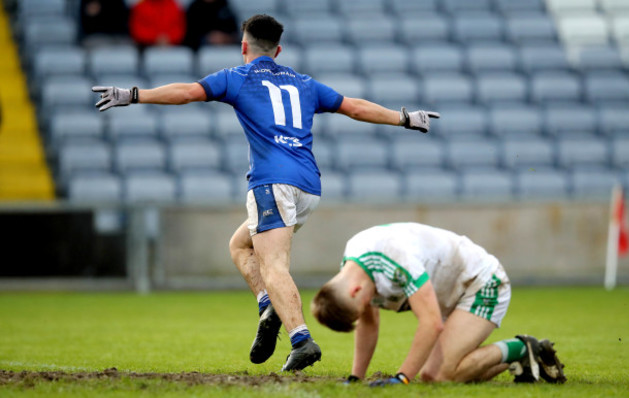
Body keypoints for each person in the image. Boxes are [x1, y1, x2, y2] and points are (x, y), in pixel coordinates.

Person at [91, 14, 440, 372]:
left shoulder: (237, 78)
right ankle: (268, 305)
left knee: (273, 266)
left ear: (244, 46)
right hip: (308, 186)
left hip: (271, 182)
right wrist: (405, 118)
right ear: (279, 50)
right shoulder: (304, 83)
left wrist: (133, 95)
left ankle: (301, 340)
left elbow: (187, 92)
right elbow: (354, 106)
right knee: (240, 246)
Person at [311, 222, 567, 385]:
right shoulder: (351, 270)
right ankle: (523, 358)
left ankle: (523, 348)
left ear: (355, 291)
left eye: (362, 304)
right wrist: (356, 378)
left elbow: (431, 323)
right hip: (450, 295)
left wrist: (402, 379)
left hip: (481, 283)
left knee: (439, 375)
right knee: (449, 372)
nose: (367, 307)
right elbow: (369, 322)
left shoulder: (395, 260)